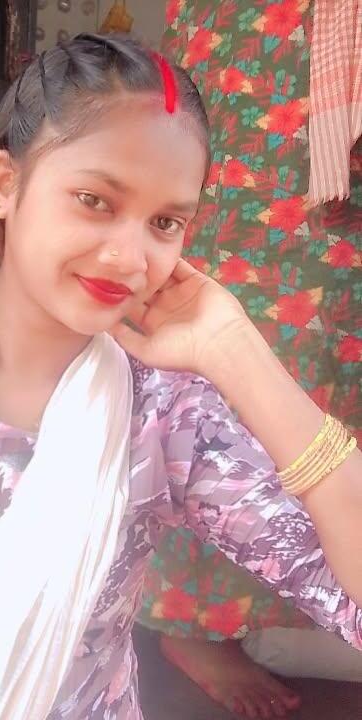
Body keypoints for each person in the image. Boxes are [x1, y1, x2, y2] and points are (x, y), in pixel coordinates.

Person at [0, 33, 360, 720]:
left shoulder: (164, 420)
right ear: (6, 183)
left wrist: (239, 355)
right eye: (95, 200)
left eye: (165, 222)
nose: (129, 257)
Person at [139, 0, 362, 715]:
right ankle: (192, 620)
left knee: (342, 330)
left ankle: (335, 597)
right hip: (263, 51)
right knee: (246, 315)